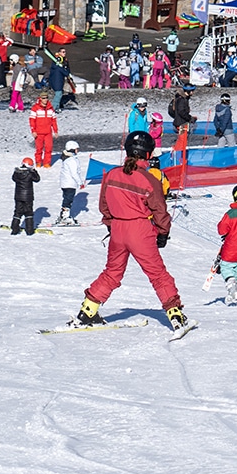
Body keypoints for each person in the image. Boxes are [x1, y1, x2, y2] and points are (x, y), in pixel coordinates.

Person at [76, 130, 195, 335]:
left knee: (112, 272)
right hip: (140, 230)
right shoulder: (149, 179)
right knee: (157, 274)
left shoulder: (112, 174)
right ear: (148, 154)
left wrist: (111, 224)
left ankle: (88, 310)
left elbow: (104, 205)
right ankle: (176, 315)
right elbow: (159, 209)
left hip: (118, 230)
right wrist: (163, 233)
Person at [10, 157, 40, 235]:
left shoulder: (17, 172)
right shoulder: (30, 173)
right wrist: (34, 171)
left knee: (17, 212)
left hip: (18, 196)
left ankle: (14, 229)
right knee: (28, 213)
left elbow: (13, 178)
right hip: (28, 197)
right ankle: (29, 230)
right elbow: (37, 179)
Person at [29, 91, 59, 168]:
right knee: (39, 149)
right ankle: (38, 162)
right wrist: (33, 131)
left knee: (49, 148)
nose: (45, 100)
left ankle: (47, 163)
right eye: (43, 98)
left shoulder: (50, 109)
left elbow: (54, 120)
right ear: (40, 99)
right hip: (38, 132)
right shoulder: (35, 108)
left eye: (46, 98)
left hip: (48, 132)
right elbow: (32, 120)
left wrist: (55, 131)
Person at [57, 140, 83, 226]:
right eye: (76, 149)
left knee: (66, 199)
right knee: (68, 200)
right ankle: (65, 217)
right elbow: (74, 173)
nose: (77, 151)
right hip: (70, 184)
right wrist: (80, 183)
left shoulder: (67, 159)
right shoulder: (71, 160)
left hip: (65, 183)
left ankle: (63, 216)